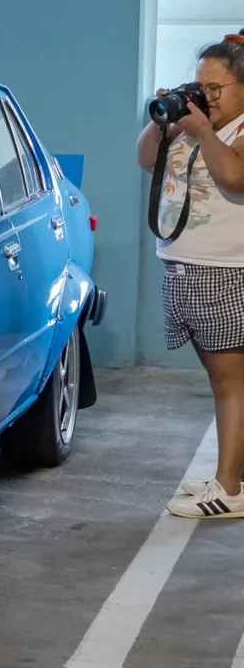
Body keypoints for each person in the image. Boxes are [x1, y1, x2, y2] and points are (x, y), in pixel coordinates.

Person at [138, 35, 244, 519]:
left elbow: (235, 179)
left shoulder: (236, 130)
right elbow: (144, 160)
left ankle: (230, 488)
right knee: (219, 378)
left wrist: (203, 130)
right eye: (199, 85)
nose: (207, 96)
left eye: (215, 87)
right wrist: (164, 121)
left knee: (231, 382)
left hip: (226, 273)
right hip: (185, 270)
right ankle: (231, 474)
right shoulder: (191, 126)